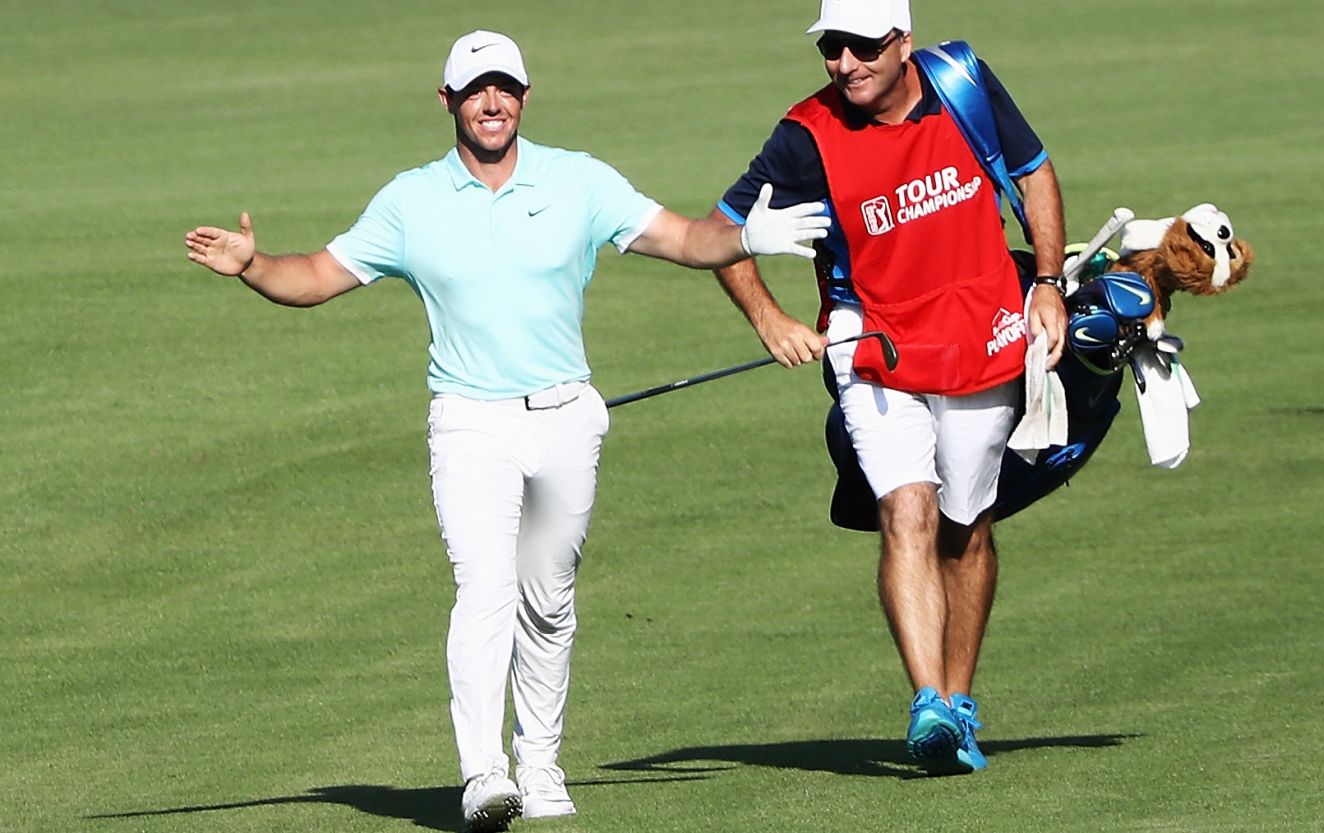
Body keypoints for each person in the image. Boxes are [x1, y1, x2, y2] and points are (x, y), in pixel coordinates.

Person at [184, 30, 827, 831]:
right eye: (475, 91)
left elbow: (686, 239)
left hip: (565, 418)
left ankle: (542, 762)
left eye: (505, 88)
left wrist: (744, 239)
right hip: (469, 425)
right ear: (447, 102)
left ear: (524, 95)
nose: (492, 103)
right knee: (484, 589)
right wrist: (253, 263)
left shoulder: (578, 180)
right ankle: (484, 773)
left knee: (548, 601)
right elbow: (315, 277)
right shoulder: (411, 200)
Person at [709, 0, 1067, 775]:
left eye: (862, 46)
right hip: (871, 347)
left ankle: (960, 702)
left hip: (983, 340)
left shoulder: (963, 82)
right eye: (831, 47)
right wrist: (771, 320)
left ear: (903, 41)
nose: (844, 63)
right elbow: (722, 231)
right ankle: (929, 701)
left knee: (967, 524)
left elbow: (1034, 172)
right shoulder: (806, 134)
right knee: (909, 507)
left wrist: (1045, 282)